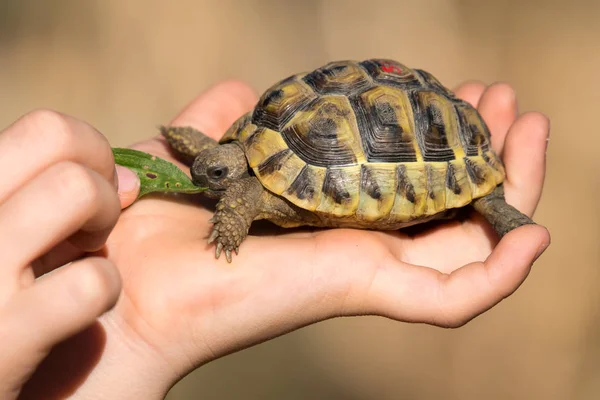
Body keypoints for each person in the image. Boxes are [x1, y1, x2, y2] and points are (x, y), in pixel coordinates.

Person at [0, 80, 550, 399]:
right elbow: (224, 164)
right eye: (211, 167)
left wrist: (226, 217)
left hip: (417, 151)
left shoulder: (245, 188)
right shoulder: (234, 156)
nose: (207, 180)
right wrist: (134, 339)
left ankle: (490, 202)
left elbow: (242, 192)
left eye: (215, 174)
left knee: (480, 199)